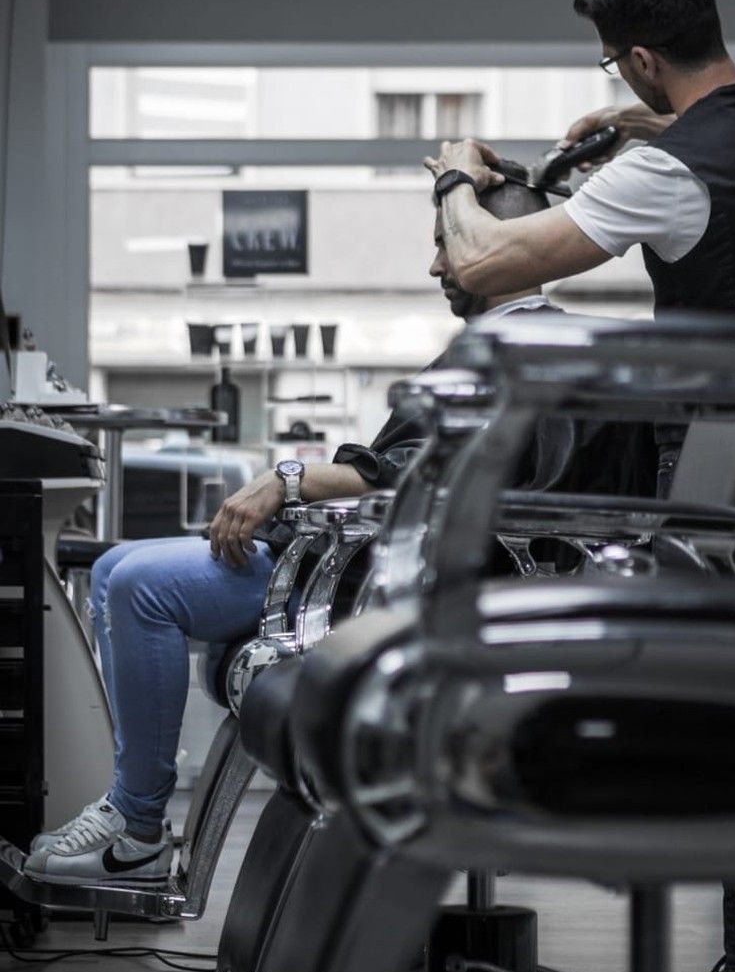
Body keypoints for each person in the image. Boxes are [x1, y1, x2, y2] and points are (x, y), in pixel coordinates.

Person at [424, 0, 735, 972]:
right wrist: (633, 121)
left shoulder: (670, 175)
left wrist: (453, 175)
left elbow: (481, 264)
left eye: (618, 68)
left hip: (719, 484)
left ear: (636, 58)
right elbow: (729, 125)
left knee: (721, 726)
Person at [24, 182, 557, 886]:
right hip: (370, 559)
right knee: (115, 565)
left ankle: (138, 827)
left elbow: (422, 473)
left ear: (501, 246)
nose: (437, 265)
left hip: (383, 583)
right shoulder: (509, 345)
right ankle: (130, 810)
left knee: (140, 587)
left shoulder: (525, 351)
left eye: (447, 244)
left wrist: (289, 478)